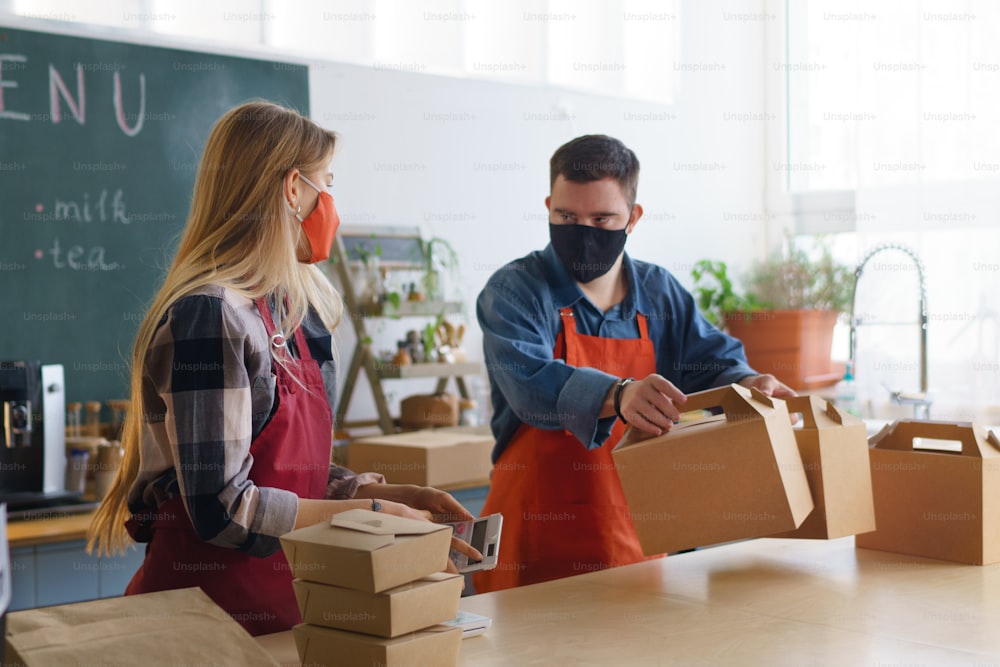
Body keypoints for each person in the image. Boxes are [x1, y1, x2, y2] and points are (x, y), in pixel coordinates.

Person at [87, 101, 480, 636]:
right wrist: (365, 519)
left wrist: (375, 496)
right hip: (201, 621)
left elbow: (294, 480)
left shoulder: (295, 314)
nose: (332, 206)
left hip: (288, 608)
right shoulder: (210, 317)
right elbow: (224, 508)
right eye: (327, 184)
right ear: (293, 189)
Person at [472, 134, 795, 594]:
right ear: (548, 206)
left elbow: (712, 362)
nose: (582, 230)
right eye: (566, 216)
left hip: (633, 537)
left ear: (633, 217)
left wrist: (748, 382)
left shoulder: (659, 292)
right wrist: (619, 395)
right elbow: (529, 385)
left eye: (602, 218)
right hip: (533, 540)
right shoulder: (514, 291)